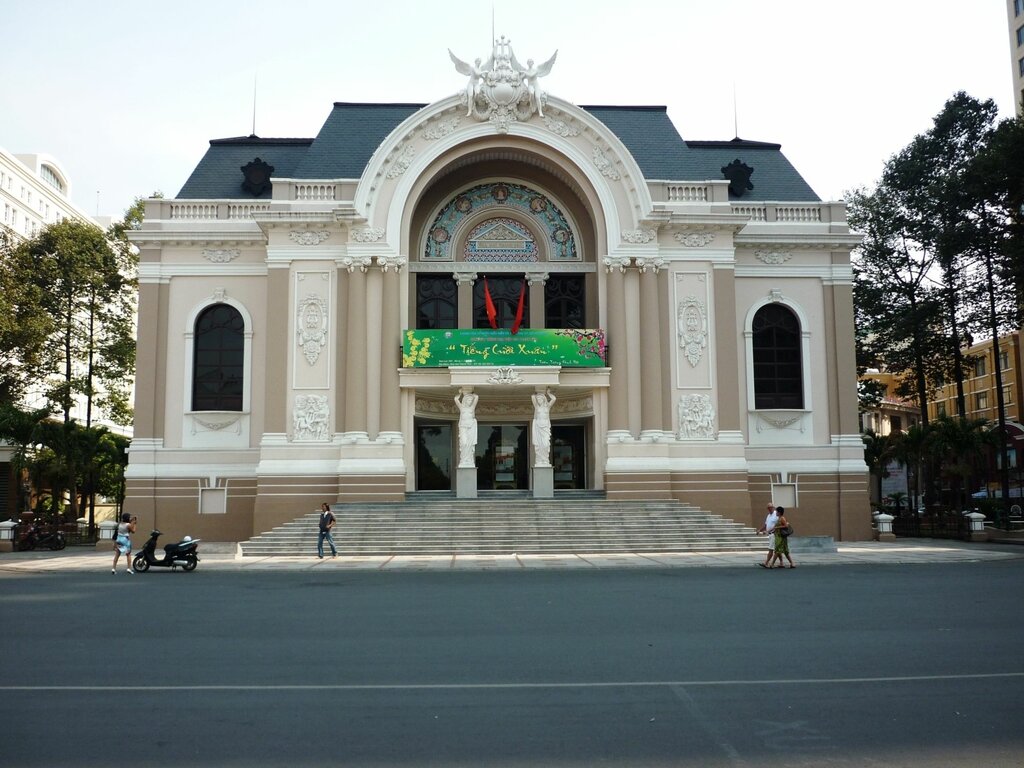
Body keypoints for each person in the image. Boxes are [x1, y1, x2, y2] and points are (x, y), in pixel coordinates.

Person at [531, 389, 556, 467]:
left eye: (540, 399)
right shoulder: (537, 407)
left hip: (545, 428)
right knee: (539, 445)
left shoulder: (547, 407)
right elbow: (532, 397)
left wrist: (548, 393)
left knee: (545, 444)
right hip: (538, 427)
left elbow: (554, 399)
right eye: (537, 399)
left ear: (543, 399)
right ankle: (539, 461)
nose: (538, 400)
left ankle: (545, 460)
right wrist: (536, 392)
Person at [454, 389, 479, 468]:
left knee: (469, 444)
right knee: (464, 443)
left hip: (471, 427)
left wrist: (472, 393)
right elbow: (456, 399)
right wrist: (460, 393)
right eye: (468, 400)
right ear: (464, 400)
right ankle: (464, 460)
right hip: (463, 428)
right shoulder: (462, 408)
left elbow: (477, 397)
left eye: (471, 400)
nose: (470, 401)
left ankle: (469, 460)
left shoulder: (472, 408)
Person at [757, 502, 778, 568]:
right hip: (770, 534)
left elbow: (777, 525)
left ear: (773, 507)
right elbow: (766, 525)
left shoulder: (776, 514)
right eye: (768, 508)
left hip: (774, 534)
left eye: (771, 507)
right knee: (777, 550)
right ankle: (781, 562)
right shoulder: (768, 515)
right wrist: (760, 530)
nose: (770, 509)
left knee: (771, 549)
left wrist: (768, 531)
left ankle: (766, 562)